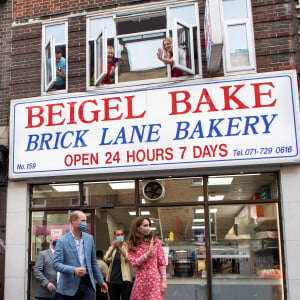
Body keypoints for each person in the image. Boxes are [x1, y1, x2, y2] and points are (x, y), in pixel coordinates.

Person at [53, 211, 108, 299]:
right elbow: (56, 264)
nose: (85, 223)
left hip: (87, 283)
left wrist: (101, 281)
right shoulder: (62, 241)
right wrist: (74, 270)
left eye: (85, 221)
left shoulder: (89, 239)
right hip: (69, 286)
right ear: (73, 221)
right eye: (82, 221)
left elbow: (93, 263)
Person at [127, 217, 167, 300]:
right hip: (140, 281)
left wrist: (164, 281)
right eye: (145, 225)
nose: (148, 227)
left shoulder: (156, 242)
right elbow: (134, 263)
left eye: (149, 225)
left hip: (154, 280)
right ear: (138, 228)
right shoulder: (132, 244)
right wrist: (147, 254)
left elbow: (162, 263)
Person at [104, 229, 132, 300]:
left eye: (121, 234)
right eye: (118, 235)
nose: (120, 236)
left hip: (125, 280)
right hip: (113, 280)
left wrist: (119, 247)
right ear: (115, 237)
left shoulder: (127, 246)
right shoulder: (111, 247)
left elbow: (128, 258)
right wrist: (113, 247)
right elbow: (106, 258)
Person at [34, 232, 62, 300]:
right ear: (51, 241)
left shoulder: (64, 255)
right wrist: (47, 283)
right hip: (46, 294)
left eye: (60, 240)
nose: (58, 242)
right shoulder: (43, 254)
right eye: (56, 239)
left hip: (61, 293)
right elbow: (37, 271)